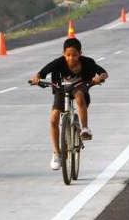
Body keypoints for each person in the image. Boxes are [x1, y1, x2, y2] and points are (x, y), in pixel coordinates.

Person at [31, 38, 108, 170]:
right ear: (63, 54)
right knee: (54, 119)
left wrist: (98, 78)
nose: (71, 58)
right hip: (61, 90)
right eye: (68, 55)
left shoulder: (88, 62)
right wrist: (37, 78)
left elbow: (104, 73)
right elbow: (43, 71)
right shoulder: (59, 62)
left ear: (80, 54)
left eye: (74, 55)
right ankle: (57, 153)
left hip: (80, 87)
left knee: (78, 97)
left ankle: (84, 129)